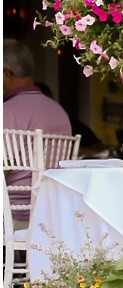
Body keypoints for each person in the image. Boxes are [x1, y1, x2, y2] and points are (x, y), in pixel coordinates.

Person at [3, 38, 72, 190]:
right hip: (51, 203)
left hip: (13, 207)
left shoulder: (7, 111)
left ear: (7, 74)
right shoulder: (59, 111)